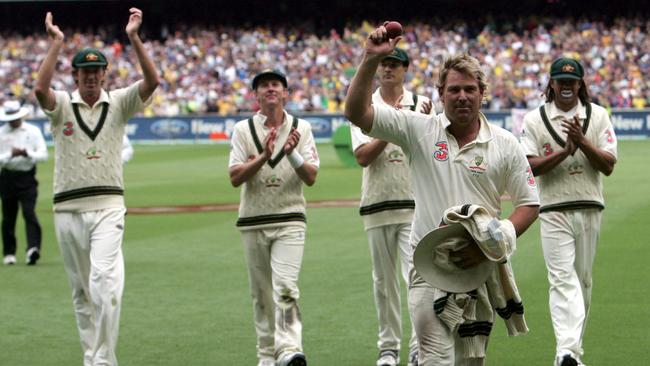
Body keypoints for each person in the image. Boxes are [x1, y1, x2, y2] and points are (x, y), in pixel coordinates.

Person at [344, 25, 540, 366]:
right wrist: (370, 60)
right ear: (441, 93)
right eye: (454, 90)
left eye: (469, 89)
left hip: (479, 267)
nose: (462, 96)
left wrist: (492, 243)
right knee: (434, 358)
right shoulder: (418, 129)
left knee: (471, 361)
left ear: (482, 93)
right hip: (427, 266)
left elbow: (528, 204)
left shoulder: (506, 142)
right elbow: (357, 114)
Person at [34, 9, 159, 366]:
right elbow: (40, 90)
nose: (91, 77)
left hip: (108, 206)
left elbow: (152, 82)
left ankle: (104, 359)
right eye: (85, 72)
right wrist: (57, 43)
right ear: (75, 76)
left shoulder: (118, 102)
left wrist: (134, 38)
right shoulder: (62, 106)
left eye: (96, 71)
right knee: (82, 292)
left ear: (105, 74)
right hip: (67, 209)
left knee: (105, 282)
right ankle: (93, 358)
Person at [520, 57, 617, 366]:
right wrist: (564, 152)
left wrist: (582, 143)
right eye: (560, 81)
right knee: (562, 279)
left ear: (580, 84)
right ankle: (566, 353)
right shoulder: (535, 120)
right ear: (551, 83)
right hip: (553, 209)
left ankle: (571, 351)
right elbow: (529, 166)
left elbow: (608, 165)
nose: (565, 86)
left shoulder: (598, 115)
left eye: (571, 81)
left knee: (583, 281)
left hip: (589, 206)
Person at [229, 69, 319, 366]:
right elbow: (234, 177)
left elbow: (311, 178)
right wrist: (263, 157)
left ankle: (290, 349)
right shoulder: (243, 130)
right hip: (253, 220)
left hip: (290, 217)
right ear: (256, 94)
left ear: (285, 92)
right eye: (264, 85)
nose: (270, 89)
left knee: (285, 287)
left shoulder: (301, 128)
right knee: (261, 295)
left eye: (275, 85)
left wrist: (292, 154)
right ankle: (267, 355)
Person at [349, 47, 432, 366]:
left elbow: (436, 152)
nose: (388, 69)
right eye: (384, 64)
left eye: (394, 65)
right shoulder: (363, 104)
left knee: (417, 278)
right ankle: (387, 347)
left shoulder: (423, 104)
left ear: (405, 70)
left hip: (414, 204)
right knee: (383, 282)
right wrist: (393, 124)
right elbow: (362, 156)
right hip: (376, 202)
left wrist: (418, 122)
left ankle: (418, 346)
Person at [0, 100, 48, 265]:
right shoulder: (1, 133)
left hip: (27, 177)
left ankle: (33, 249)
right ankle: (9, 253)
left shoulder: (33, 131)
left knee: (29, 213)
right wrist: (10, 155)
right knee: (8, 217)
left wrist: (27, 153)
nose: (13, 121)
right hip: (7, 178)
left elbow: (43, 155)